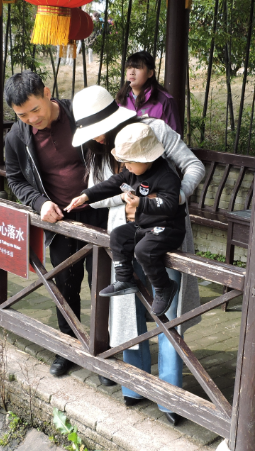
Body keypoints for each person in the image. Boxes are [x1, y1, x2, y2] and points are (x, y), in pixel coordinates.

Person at [71, 85, 205, 425]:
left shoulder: (154, 130)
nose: (96, 138)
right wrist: (120, 197)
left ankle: (170, 396)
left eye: (98, 130)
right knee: (127, 308)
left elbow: (193, 167)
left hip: (165, 232)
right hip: (126, 230)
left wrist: (170, 199)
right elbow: (104, 192)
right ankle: (134, 385)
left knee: (168, 313)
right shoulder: (100, 150)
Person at [3, 71, 112, 384]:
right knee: (65, 286)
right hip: (60, 221)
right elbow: (15, 179)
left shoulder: (80, 115)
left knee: (102, 285)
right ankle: (68, 347)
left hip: (99, 214)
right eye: (22, 115)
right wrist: (39, 203)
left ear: (47, 93)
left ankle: (103, 352)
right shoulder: (17, 136)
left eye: (35, 110)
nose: (31, 119)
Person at [66, 123, 186, 316]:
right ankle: (124, 279)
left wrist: (141, 203)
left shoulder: (167, 177)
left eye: (129, 162)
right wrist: (86, 196)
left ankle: (164, 287)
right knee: (118, 235)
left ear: (146, 158)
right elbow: (112, 184)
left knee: (143, 250)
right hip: (144, 225)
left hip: (168, 228)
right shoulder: (132, 172)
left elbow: (170, 205)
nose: (126, 166)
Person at [115, 51, 181, 133]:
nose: (132, 72)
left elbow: (174, 136)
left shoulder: (165, 101)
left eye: (137, 68)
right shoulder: (121, 100)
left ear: (150, 73)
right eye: (129, 68)